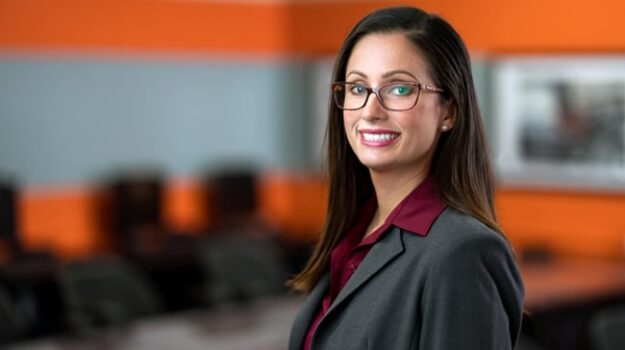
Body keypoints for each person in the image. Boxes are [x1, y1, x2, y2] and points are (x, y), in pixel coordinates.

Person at [288, 6, 524, 350]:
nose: (370, 110)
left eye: (399, 89)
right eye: (357, 88)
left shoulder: (463, 252)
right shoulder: (353, 233)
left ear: (449, 111)